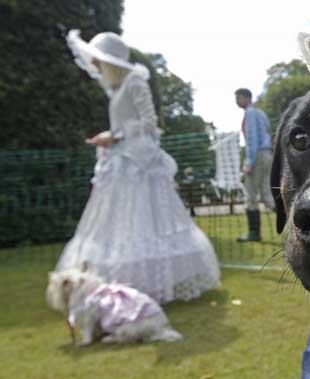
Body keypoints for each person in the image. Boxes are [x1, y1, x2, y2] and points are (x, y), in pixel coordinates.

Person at [55, 30, 220, 303]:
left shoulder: (134, 82)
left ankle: (154, 283)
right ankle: (123, 283)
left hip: (139, 163)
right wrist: (110, 137)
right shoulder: (117, 89)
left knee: (149, 221)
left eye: (99, 61)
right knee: (121, 221)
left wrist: (115, 135)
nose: (95, 66)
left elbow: (148, 122)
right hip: (120, 161)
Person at [234, 88, 275, 242]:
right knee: (266, 196)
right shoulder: (261, 113)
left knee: (250, 196)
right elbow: (270, 134)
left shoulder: (250, 113)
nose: (236, 101)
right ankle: (295, 224)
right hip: (267, 155)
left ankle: (254, 234)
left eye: (238, 98)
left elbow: (251, 139)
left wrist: (249, 163)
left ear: (247, 98)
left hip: (257, 155)